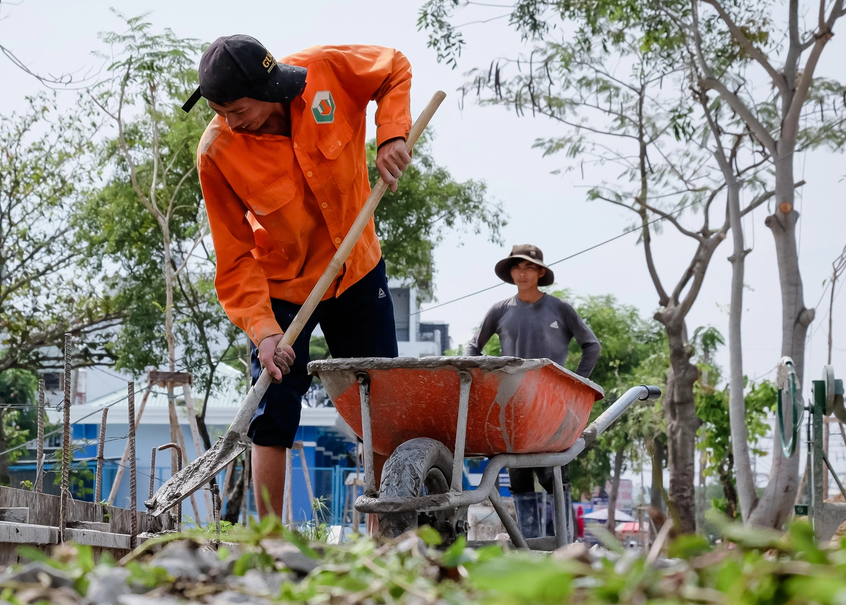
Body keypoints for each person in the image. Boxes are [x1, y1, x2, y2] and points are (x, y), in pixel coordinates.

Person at [184, 35, 413, 520]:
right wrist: (264, 332)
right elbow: (234, 255)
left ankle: (384, 530)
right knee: (273, 406)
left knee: (376, 403)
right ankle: (269, 540)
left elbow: (393, 66)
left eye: (237, 109)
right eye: (220, 111)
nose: (229, 122)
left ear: (268, 88)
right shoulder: (217, 153)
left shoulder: (325, 73)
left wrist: (391, 134)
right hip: (284, 288)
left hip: (357, 267)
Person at [467, 244, 602, 540]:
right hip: (511, 407)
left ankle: (565, 543)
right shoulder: (500, 310)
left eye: (528, 267)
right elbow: (472, 347)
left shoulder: (560, 309)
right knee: (518, 476)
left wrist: (577, 384)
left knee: (553, 473)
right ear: (510, 273)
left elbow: (592, 345)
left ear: (540, 272)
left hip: (552, 407)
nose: (522, 273)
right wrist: (478, 377)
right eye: (517, 267)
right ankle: (526, 543)